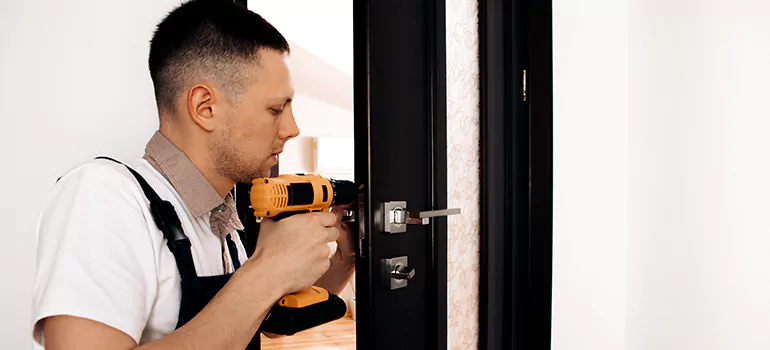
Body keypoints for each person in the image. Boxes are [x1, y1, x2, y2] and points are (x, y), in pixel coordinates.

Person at [30, 1, 356, 349]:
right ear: (205, 107)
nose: (292, 129)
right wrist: (269, 269)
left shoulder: (222, 220)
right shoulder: (104, 197)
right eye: (276, 109)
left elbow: (263, 321)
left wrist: (347, 248)